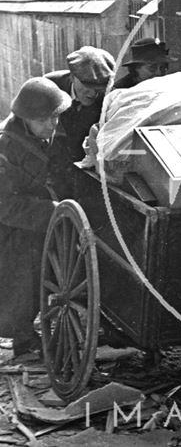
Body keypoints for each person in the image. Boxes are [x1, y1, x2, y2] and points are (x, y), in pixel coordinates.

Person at [0, 77, 71, 360]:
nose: (52, 125)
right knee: (22, 280)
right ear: (25, 118)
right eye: (44, 120)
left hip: (43, 219)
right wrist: (49, 210)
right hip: (13, 230)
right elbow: (5, 206)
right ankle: (23, 339)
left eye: (55, 117)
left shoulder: (44, 133)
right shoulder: (6, 148)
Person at [46, 46, 115, 162]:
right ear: (72, 77)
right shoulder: (50, 86)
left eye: (99, 88)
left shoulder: (110, 97)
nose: (93, 94)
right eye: (87, 86)